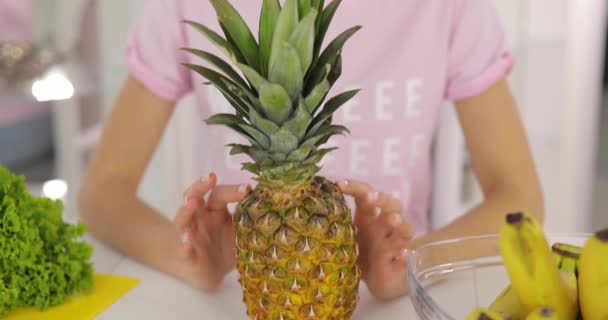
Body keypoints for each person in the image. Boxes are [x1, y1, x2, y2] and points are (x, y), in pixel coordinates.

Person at [78, 0, 544, 301]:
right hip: (236, 291)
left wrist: (411, 264)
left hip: (399, 298)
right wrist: (186, 255)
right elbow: (102, 190)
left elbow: (519, 195)